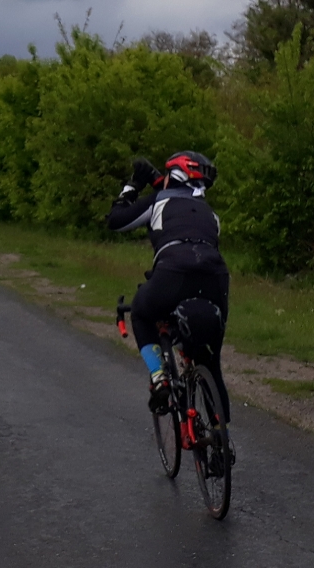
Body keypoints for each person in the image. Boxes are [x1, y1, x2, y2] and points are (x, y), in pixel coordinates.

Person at [106, 151, 231, 426]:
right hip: (216, 276)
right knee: (210, 360)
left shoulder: (158, 202)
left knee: (141, 312)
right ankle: (220, 433)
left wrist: (132, 185)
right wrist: (155, 179)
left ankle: (159, 377)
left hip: (173, 271)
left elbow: (116, 220)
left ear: (174, 175)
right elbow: (176, 196)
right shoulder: (212, 216)